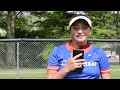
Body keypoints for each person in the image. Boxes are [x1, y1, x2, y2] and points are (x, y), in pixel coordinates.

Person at [46, 15, 111, 79]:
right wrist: (67, 68)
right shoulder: (58, 51)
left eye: (85, 28)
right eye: (75, 28)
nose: (80, 31)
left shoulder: (98, 52)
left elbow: (106, 76)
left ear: (90, 31)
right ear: (70, 31)